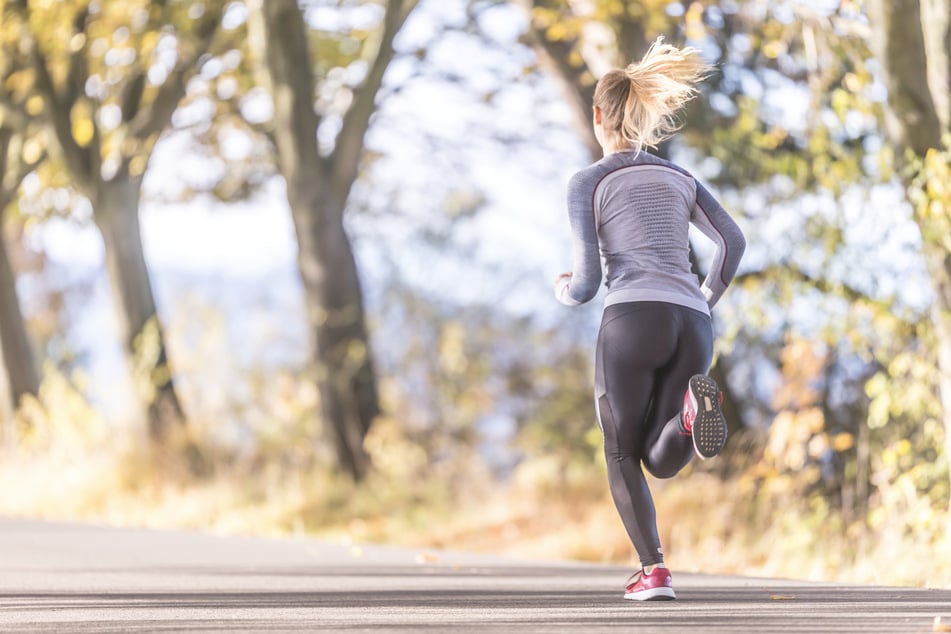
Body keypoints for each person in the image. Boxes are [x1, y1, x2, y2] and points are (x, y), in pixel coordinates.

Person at [553, 38, 746, 601]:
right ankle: (690, 416)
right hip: (692, 322)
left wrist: (563, 291)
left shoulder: (588, 182)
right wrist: (705, 298)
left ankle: (653, 570)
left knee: (619, 451)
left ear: (597, 116)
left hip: (633, 318)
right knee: (659, 458)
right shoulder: (679, 178)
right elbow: (732, 240)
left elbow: (587, 283)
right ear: (642, 114)